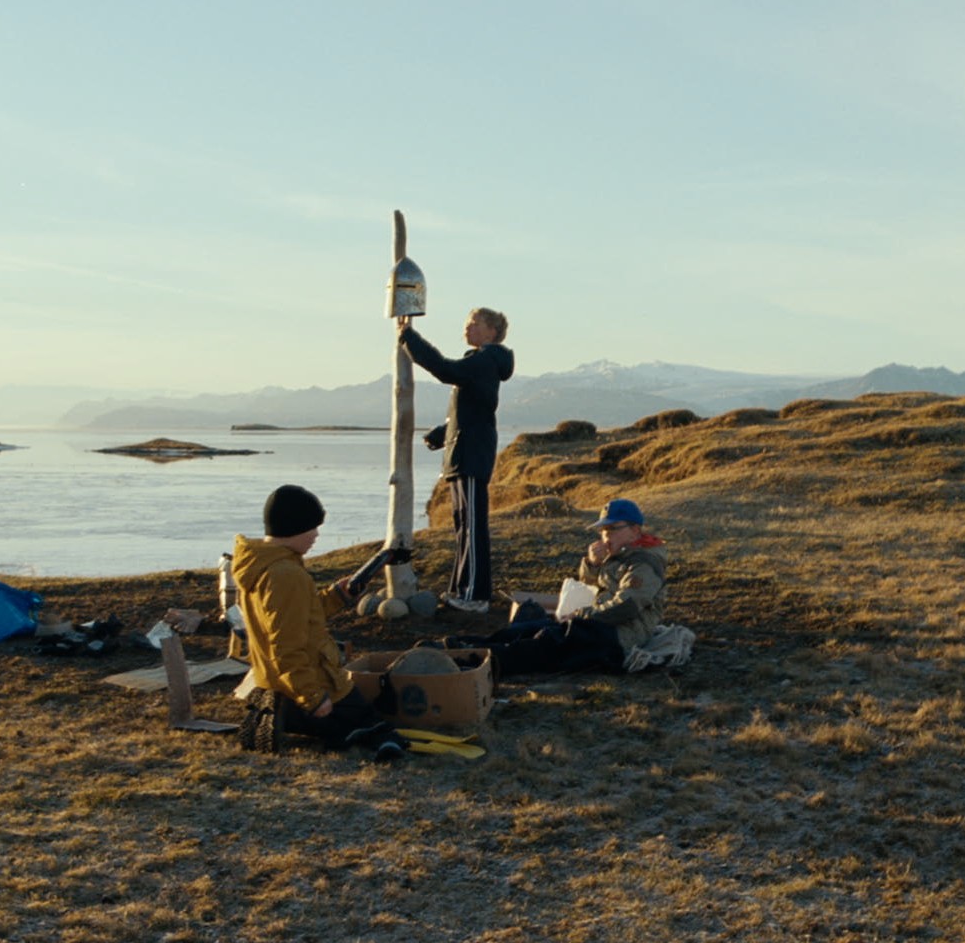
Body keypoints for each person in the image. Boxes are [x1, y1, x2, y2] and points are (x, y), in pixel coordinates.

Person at [231, 484, 406, 759]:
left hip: (275, 682)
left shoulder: (261, 565)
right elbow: (286, 645)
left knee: (358, 717)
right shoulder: (287, 575)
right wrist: (313, 697)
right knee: (374, 724)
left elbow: (298, 615)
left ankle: (284, 711)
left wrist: (337, 596)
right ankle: (312, 719)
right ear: (294, 527)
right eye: (312, 528)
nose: (316, 535)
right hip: (314, 683)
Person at [441, 498, 668, 676]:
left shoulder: (644, 564)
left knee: (545, 644)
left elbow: (626, 606)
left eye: (612, 529)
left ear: (635, 530)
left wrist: (581, 616)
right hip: (598, 623)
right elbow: (590, 589)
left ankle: (470, 659)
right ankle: (465, 645)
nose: (606, 536)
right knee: (529, 627)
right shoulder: (619, 555)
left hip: (618, 637)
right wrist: (592, 564)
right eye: (603, 530)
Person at [397, 307, 515, 613]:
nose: (467, 327)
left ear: (492, 331)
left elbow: (443, 369)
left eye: (475, 323)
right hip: (462, 452)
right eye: (467, 322)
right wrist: (443, 433)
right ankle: (461, 589)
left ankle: (476, 596)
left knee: (472, 527)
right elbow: (473, 408)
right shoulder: (480, 361)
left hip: (472, 454)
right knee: (463, 525)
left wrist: (409, 338)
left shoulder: (485, 359)